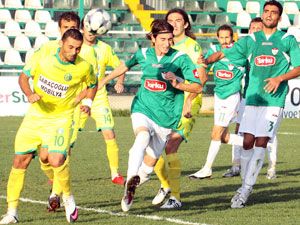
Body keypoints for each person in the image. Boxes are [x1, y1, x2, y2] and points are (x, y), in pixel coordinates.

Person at [97, 19, 202, 212]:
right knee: (142, 136)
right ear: (152, 38)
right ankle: (130, 178)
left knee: (147, 167)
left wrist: (178, 84)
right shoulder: (143, 54)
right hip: (143, 107)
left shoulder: (180, 58)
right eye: (162, 39)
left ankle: (131, 188)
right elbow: (125, 66)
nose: (167, 43)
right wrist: (105, 80)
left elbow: (197, 85)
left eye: (170, 39)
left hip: (167, 117)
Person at [203, 0, 300, 208]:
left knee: (261, 142)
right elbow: (225, 53)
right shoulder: (250, 40)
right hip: (252, 98)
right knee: (247, 142)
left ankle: (246, 189)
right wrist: (207, 61)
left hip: (274, 101)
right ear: (262, 14)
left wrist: (279, 79)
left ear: (280, 18)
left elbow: (299, 67)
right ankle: (245, 184)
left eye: (274, 12)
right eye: (266, 11)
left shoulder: (287, 40)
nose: (269, 15)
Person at [0, 29, 97, 224]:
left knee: (56, 159)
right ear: (61, 43)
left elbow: (93, 84)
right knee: (20, 161)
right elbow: (23, 77)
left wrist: (86, 102)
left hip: (61, 118)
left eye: (78, 49)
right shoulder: (43, 59)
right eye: (70, 47)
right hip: (35, 117)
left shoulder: (84, 67)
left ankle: (68, 197)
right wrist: (29, 94)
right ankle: (12, 212)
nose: (74, 52)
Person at [145, 8, 207, 209]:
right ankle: (166, 185)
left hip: (189, 101)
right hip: (166, 104)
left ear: (186, 24)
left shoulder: (192, 47)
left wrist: (189, 100)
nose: (174, 23)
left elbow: (201, 79)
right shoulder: (161, 46)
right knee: (152, 147)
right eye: (170, 20)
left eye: (178, 20)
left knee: (170, 146)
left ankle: (176, 198)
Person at [70, 19, 126, 185]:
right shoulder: (76, 47)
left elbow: (121, 66)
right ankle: (59, 172)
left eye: (94, 31)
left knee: (109, 133)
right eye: (88, 28)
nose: (90, 32)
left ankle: (115, 174)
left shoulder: (105, 49)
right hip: (79, 96)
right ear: (83, 27)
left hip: (99, 97)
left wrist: (119, 81)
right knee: (69, 139)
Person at [223, 17, 279, 180]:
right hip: (247, 97)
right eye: (252, 27)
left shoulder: (268, 48)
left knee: (269, 135)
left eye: (257, 27)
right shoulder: (247, 48)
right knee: (239, 130)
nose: (254, 30)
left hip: (268, 98)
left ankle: (272, 166)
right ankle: (236, 165)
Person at [188, 24, 245, 180]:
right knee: (224, 137)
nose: (225, 40)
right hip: (219, 96)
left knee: (215, 133)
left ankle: (207, 169)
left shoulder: (238, 50)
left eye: (227, 37)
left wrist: (206, 60)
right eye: (221, 37)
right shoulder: (213, 49)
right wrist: (201, 63)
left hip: (231, 96)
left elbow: (217, 56)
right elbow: (206, 67)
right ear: (217, 38)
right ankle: (258, 144)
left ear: (233, 37)